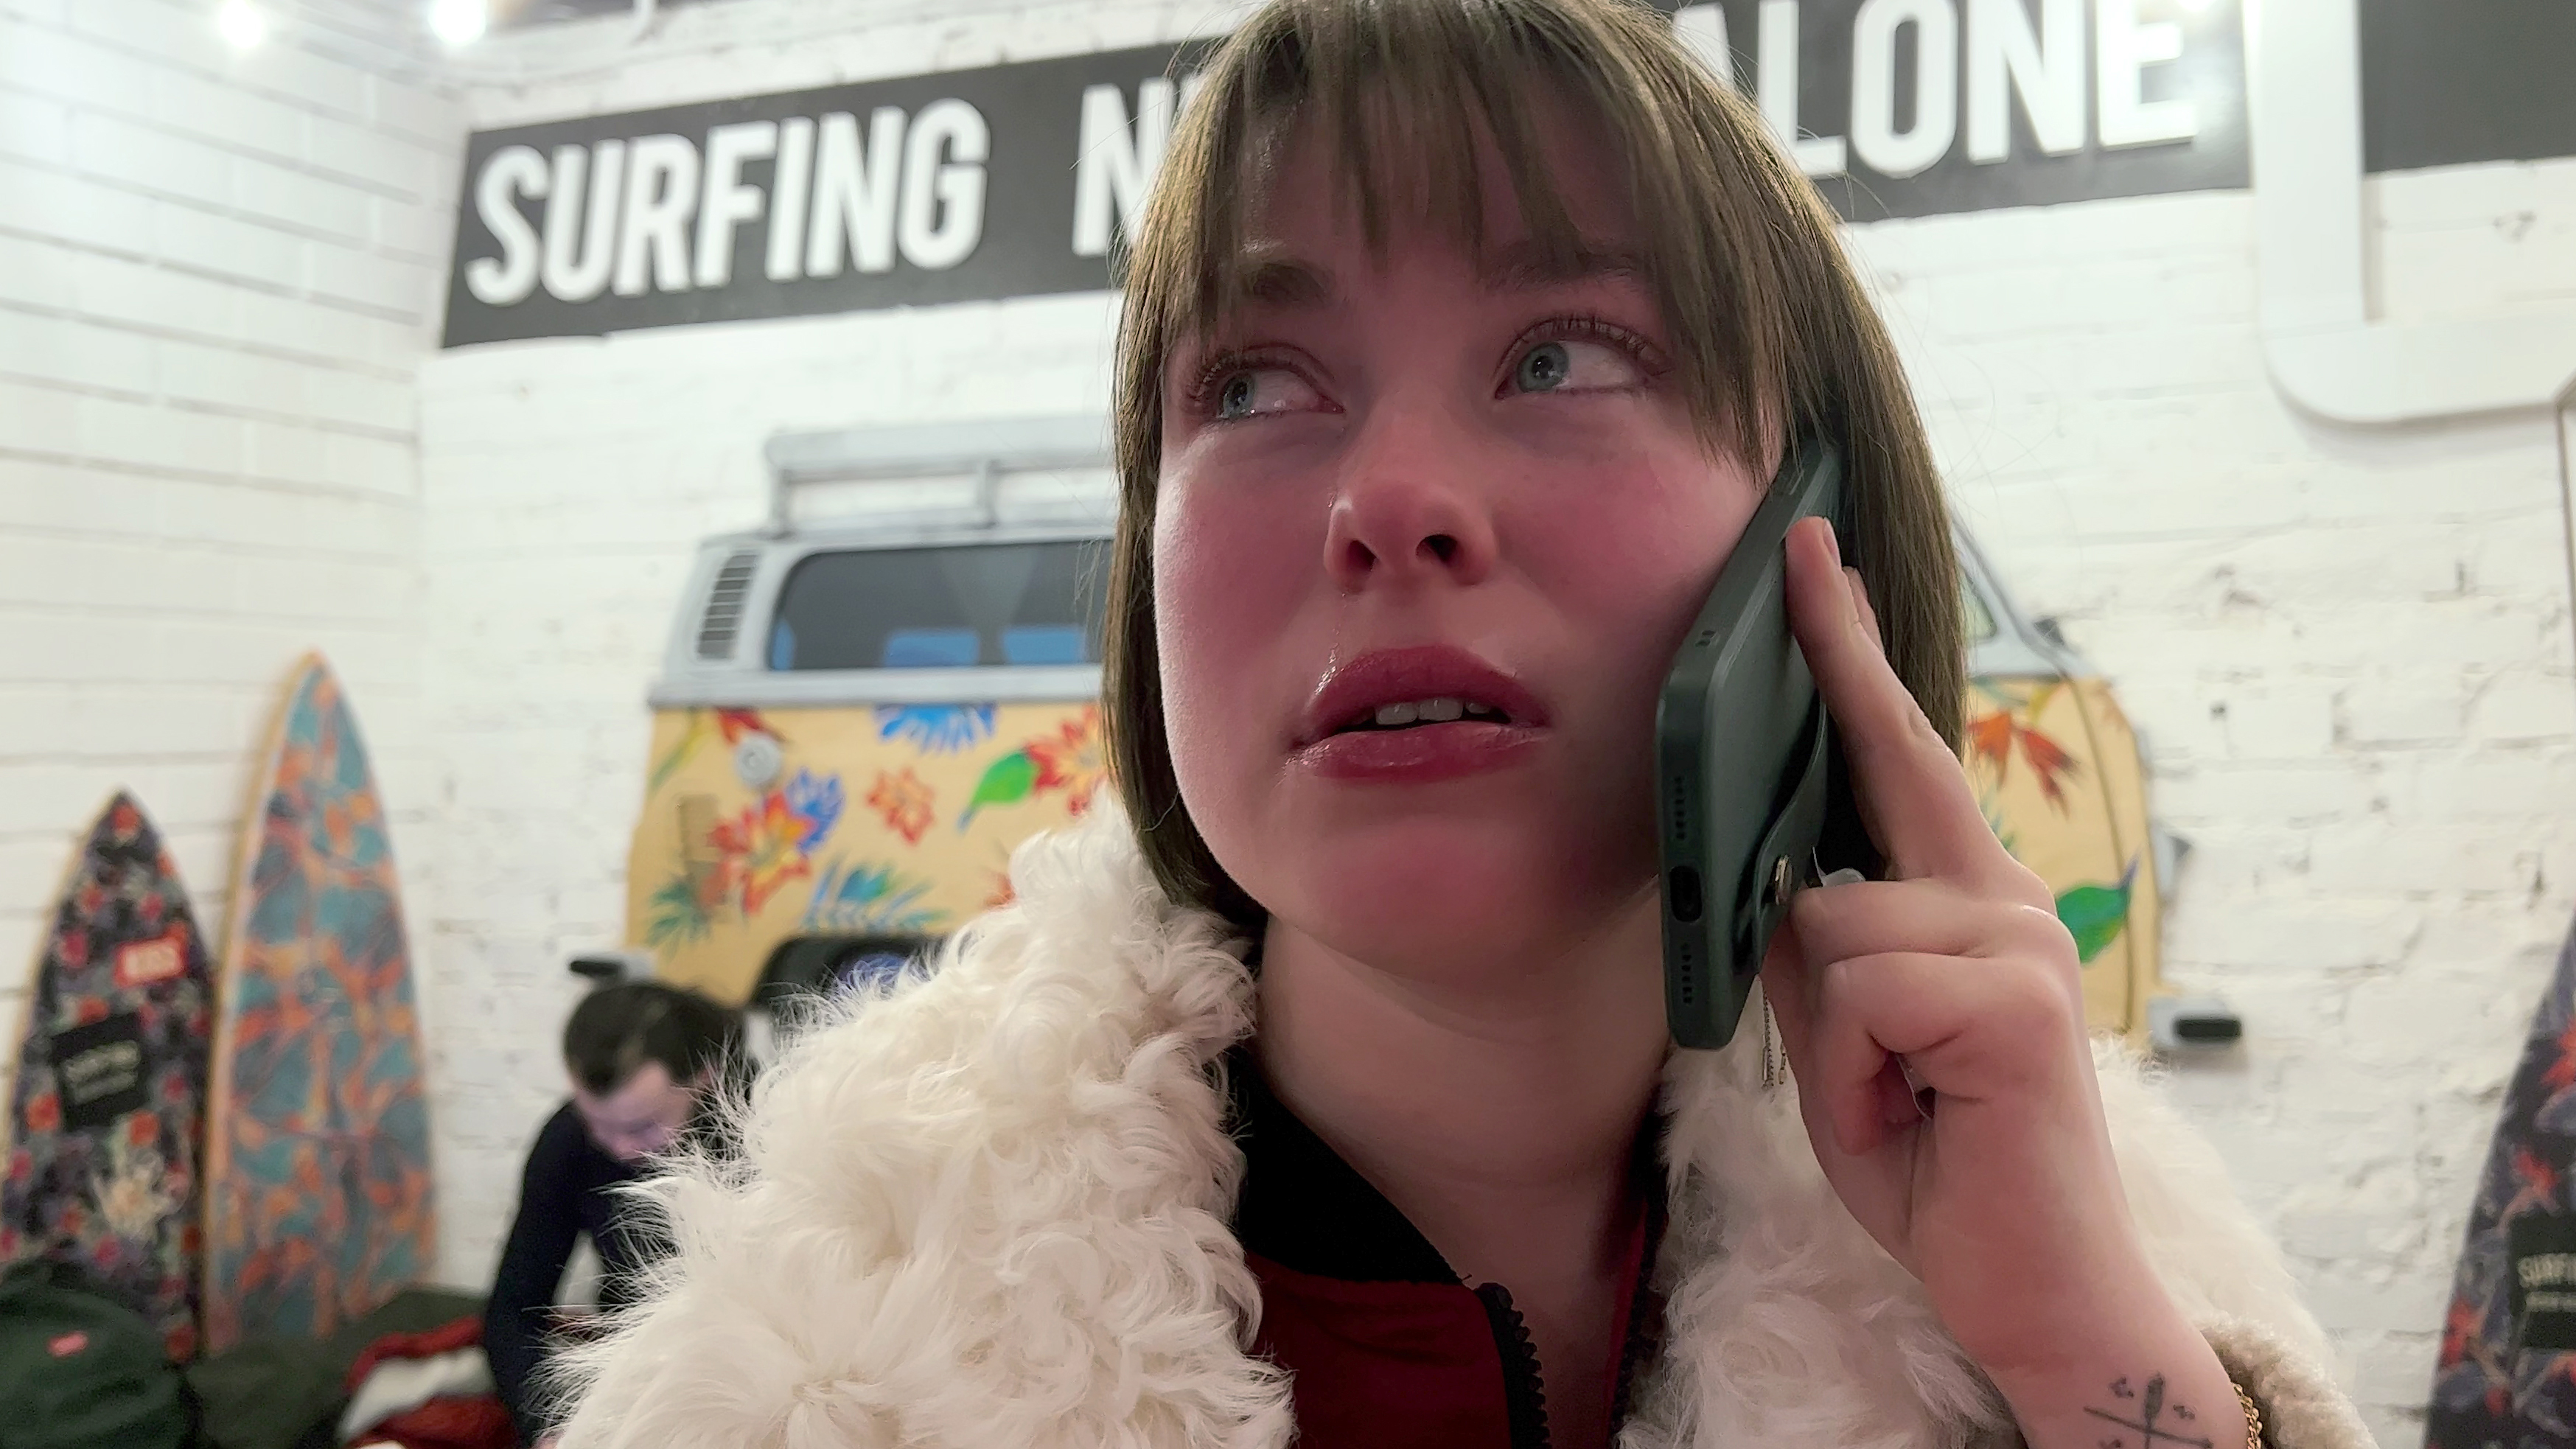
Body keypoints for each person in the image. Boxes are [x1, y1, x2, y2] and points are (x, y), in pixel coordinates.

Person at [544, 3, 2373, 1445]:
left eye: (1559, 352)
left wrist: (2076, 1352)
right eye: (1254, 383)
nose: (1390, 500)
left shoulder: (2092, 1268)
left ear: (1813, 529)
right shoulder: (811, 1370)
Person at [483, 982, 739, 1447]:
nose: (619, 1148)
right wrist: (551, 1425)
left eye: (643, 1126)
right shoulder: (570, 1141)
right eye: (596, 1123)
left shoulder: (766, 1131)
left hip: (748, 1372)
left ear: (706, 1077)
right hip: (629, 1367)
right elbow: (513, 1310)